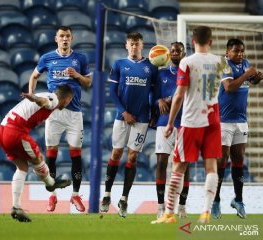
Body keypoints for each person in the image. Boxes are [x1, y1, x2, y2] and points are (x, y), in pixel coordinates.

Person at [151, 26, 233, 224]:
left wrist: (170, 122)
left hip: (191, 120)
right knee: (211, 166)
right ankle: (205, 211)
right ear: (211, 42)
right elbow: (228, 86)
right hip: (213, 120)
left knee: (178, 166)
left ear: (192, 42)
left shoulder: (187, 62)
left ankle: (169, 214)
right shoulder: (221, 61)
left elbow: (179, 95)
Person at [28, 26, 92, 212]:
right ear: (56, 39)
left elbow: (88, 82)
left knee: (76, 156)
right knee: (51, 155)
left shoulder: (80, 58)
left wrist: (77, 75)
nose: (65, 39)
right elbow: (34, 76)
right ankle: (52, 195)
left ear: (72, 38)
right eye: (61, 36)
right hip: (53, 113)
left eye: (67, 36)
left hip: (74, 114)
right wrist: (32, 97)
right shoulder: (47, 58)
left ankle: (75, 196)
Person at [99, 32, 158, 218]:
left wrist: (153, 114)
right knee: (116, 153)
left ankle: (124, 199)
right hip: (122, 117)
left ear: (142, 45)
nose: (134, 47)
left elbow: (154, 94)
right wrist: (124, 112)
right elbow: (112, 92)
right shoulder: (119, 64)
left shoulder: (151, 67)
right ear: (126, 45)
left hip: (141, 118)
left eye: (137, 44)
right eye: (131, 44)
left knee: (132, 157)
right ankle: (107, 195)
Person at [0, 85, 74, 222]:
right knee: (38, 158)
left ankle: (16, 207)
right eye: (69, 101)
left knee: (22, 167)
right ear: (67, 99)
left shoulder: (48, 95)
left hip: (2, 130)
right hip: (15, 131)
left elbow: (42, 102)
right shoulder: (54, 99)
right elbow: (45, 102)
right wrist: (35, 98)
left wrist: (36, 98)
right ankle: (51, 183)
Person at [211, 39, 263, 219]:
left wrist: (256, 78)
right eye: (236, 51)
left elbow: (249, 81)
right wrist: (247, 74)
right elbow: (230, 87)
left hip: (241, 120)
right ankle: (215, 200)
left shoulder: (245, 64)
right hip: (224, 121)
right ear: (228, 52)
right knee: (221, 161)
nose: (240, 54)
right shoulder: (222, 63)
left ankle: (238, 200)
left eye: (242, 51)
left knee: (239, 160)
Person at [153, 42, 190, 219]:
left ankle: (182, 207)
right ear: (169, 54)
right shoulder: (162, 74)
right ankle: (161, 207)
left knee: (185, 166)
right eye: (172, 50)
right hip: (164, 122)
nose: (175, 53)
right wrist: (159, 101)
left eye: (178, 50)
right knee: (161, 162)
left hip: (186, 123)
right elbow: (153, 96)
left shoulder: (192, 73)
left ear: (184, 53)